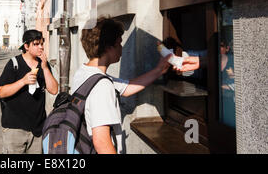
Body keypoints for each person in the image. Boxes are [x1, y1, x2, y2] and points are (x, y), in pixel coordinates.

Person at [73, 17, 200, 154]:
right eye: (119, 43)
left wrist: (158, 70)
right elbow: (102, 142)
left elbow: (126, 88)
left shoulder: (84, 73)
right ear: (109, 47)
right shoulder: (102, 87)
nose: (122, 48)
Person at [0, 29, 58, 154]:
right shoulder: (14, 63)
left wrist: (45, 68)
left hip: (37, 129)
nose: (40, 47)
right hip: (15, 128)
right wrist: (23, 81)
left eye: (41, 44)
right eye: (36, 44)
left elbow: (54, 89)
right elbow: (2, 92)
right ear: (26, 46)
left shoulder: (43, 65)